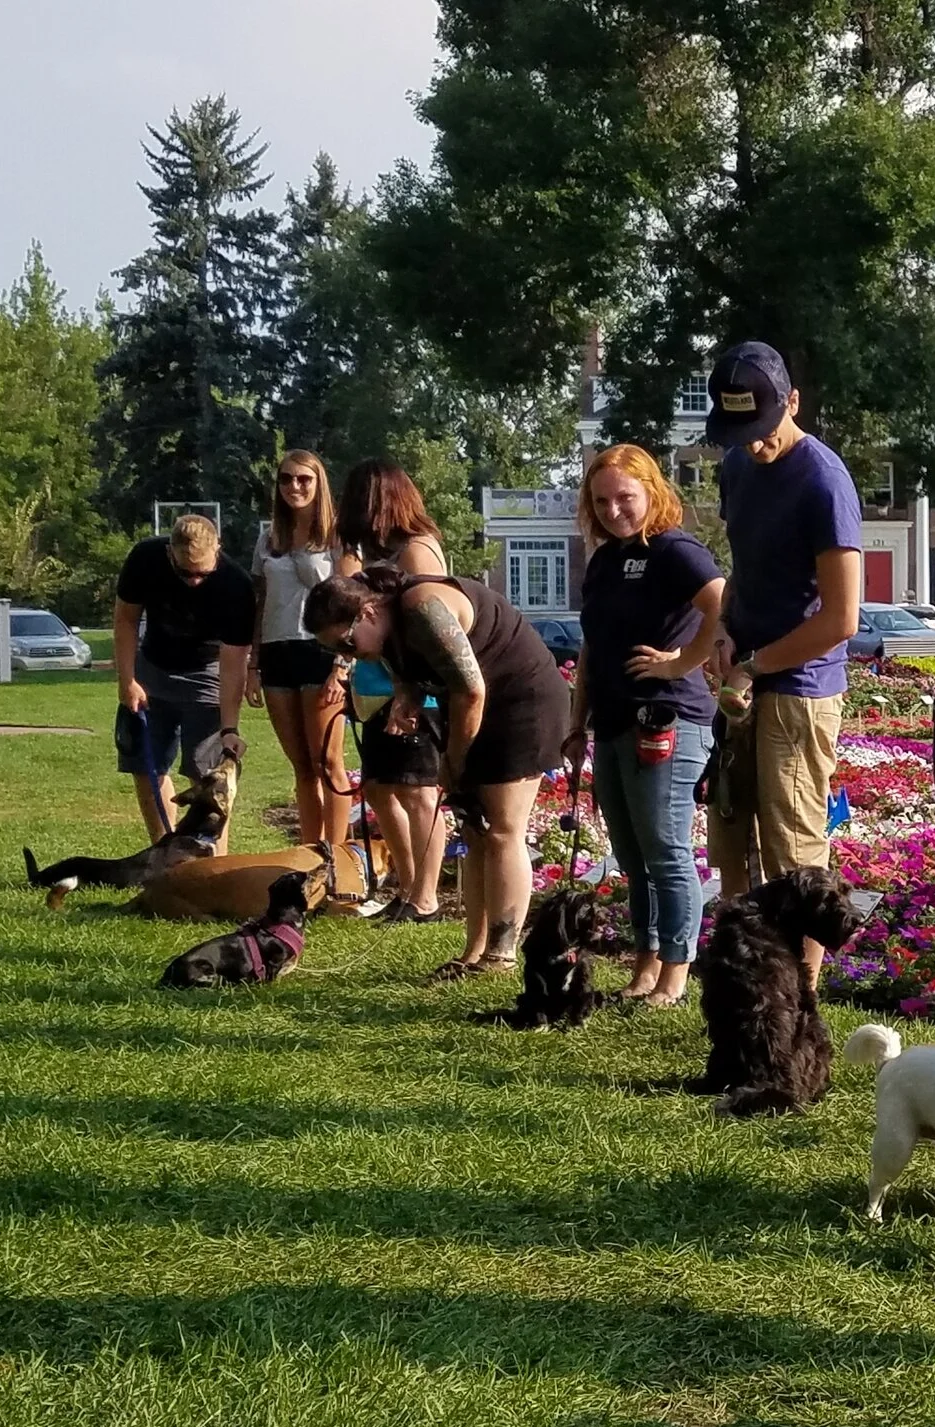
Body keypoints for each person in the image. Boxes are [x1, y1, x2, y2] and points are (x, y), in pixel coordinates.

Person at [305, 562, 567, 979]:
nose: (348, 656)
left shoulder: (423, 607)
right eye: (337, 650)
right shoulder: (384, 625)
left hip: (522, 702)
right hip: (475, 703)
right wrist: (406, 693)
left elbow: (471, 688)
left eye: (348, 644)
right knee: (473, 829)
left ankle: (501, 955)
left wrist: (454, 760)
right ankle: (473, 952)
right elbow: (407, 665)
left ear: (368, 612)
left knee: (502, 828)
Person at [703, 340, 861, 981]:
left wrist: (756, 664)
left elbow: (840, 618)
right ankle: (748, 984)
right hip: (745, 676)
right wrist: (721, 628)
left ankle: (799, 1001)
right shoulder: (738, 468)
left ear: (792, 402)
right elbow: (743, 568)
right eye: (740, 432)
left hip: (799, 688)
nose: (755, 444)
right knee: (730, 835)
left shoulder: (823, 480)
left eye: (765, 428)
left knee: (793, 858)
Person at [561, 444, 724, 1004]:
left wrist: (682, 661)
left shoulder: (675, 551)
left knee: (666, 850)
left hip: (667, 718)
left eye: (625, 497)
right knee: (632, 856)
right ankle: (645, 964)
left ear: (651, 492)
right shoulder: (605, 559)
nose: (613, 510)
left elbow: (723, 605)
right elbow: (592, 643)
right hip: (609, 721)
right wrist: (576, 718)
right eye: (601, 500)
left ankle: (676, 972)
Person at [331, 462, 451, 923]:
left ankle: (427, 897)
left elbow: (434, 631)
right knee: (381, 789)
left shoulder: (419, 552)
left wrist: (413, 692)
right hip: (377, 690)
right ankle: (408, 886)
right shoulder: (375, 554)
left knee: (420, 793)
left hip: (418, 694)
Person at [113, 514, 251, 847]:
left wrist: (229, 728)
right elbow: (126, 620)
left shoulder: (236, 584)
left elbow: (234, 663)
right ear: (169, 553)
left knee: (207, 775)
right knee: (146, 766)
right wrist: (127, 680)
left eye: (203, 573)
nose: (194, 581)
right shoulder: (145, 558)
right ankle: (163, 851)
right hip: (153, 668)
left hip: (208, 672)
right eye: (184, 573)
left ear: (218, 548)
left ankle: (213, 860)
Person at [249, 450, 344, 848]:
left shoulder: (339, 536)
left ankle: (340, 859)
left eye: (304, 479)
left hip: (321, 654)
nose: (294, 487)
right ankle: (310, 853)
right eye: (286, 479)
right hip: (276, 653)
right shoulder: (269, 536)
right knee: (302, 767)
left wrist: (343, 665)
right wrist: (253, 664)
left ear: (318, 483)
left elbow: (353, 604)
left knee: (328, 762)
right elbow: (260, 602)